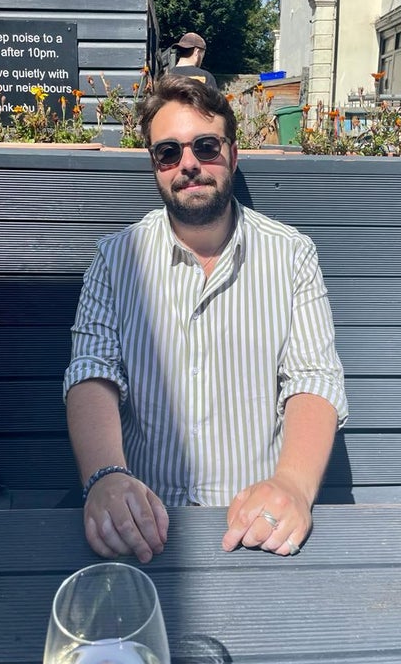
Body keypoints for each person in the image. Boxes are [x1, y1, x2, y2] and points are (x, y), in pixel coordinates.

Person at [63, 74, 348, 564]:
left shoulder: (292, 255)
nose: (188, 164)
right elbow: (91, 373)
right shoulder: (114, 259)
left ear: (233, 156)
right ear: (155, 166)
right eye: (168, 152)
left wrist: (292, 485)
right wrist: (106, 477)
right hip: (141, 517)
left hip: (255, 517)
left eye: (206, 146)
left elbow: (314, 380)